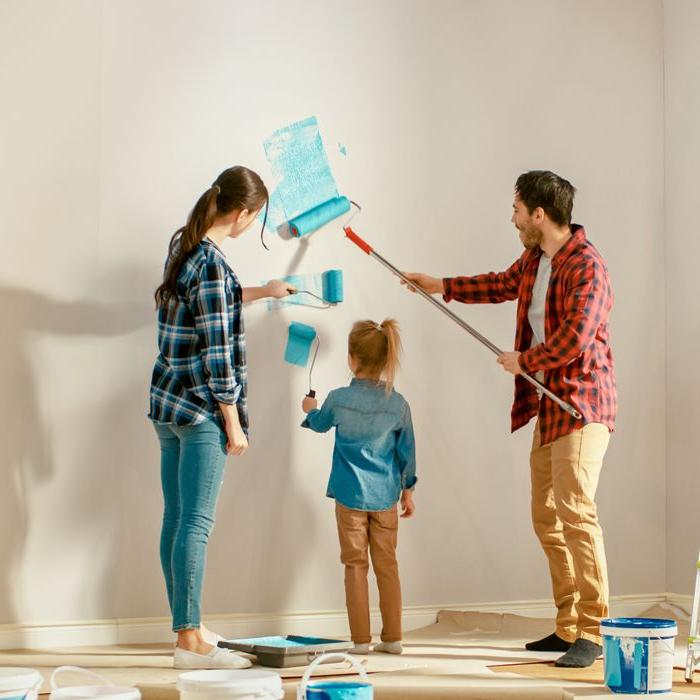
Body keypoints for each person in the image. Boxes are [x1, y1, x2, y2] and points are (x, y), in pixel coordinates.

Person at [402, 171, 616, 668]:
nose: (513, 218)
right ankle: (567, 627)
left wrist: (526, 360)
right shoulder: (535, 259)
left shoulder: (588, 266)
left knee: (576, 514)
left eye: (517, 209)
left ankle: (595, 630)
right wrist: (440, 286)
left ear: (539, 214)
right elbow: (501, 284)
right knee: (547, 516)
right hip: (549, 406)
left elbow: (578, 335)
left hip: (582, 407)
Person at [149, 166, 295, 669]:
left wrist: (265, 292)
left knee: (176, 519)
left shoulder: (184, 246)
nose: (249, 226)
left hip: (168, 405)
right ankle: (189, 637)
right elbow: (217, 354)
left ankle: (185, 630)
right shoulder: (210, 263)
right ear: (243, 213)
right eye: (253, 219)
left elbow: (212, 306)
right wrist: (232, 421)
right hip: (200, 410)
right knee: (196, 523)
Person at [301, 319, 417, 655]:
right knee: (388, 566)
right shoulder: (398, 403)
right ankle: (393, 639)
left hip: (349, 497)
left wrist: (310, 410)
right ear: (384, 361)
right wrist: (407, 490)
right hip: (385, 498)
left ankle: (361, 642)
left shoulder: (337, 399)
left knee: (355, 566)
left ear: (352, 359)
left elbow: (320, 424)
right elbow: (406, 452)